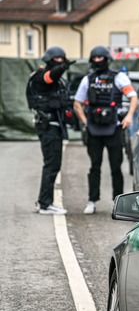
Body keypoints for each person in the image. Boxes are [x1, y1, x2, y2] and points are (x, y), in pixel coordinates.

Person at [73, 45, 138, 214]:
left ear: (107, 59)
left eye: (100, 58)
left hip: (114, 128)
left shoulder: (119, 77)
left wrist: (129, 116)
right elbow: (77, 104)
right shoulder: (87, 79)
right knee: (94, 167)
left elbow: (133, 97)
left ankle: (118, 202)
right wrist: (85, 122)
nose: (97, 61)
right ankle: (92, 201)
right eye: (94, 58)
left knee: (116, 168)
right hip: (94, 130)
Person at [27, 45, 74, 215]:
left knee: (54, 164)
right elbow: (49, 78)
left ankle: (45, 202)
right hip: (48, 126)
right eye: (57, 60)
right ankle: (44, 204)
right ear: (49, 60)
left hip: (55, 126)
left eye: (62, 60)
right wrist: (62, 68)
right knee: (51, 164)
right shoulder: (41, 76)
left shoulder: (58, 79)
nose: (60, 63)